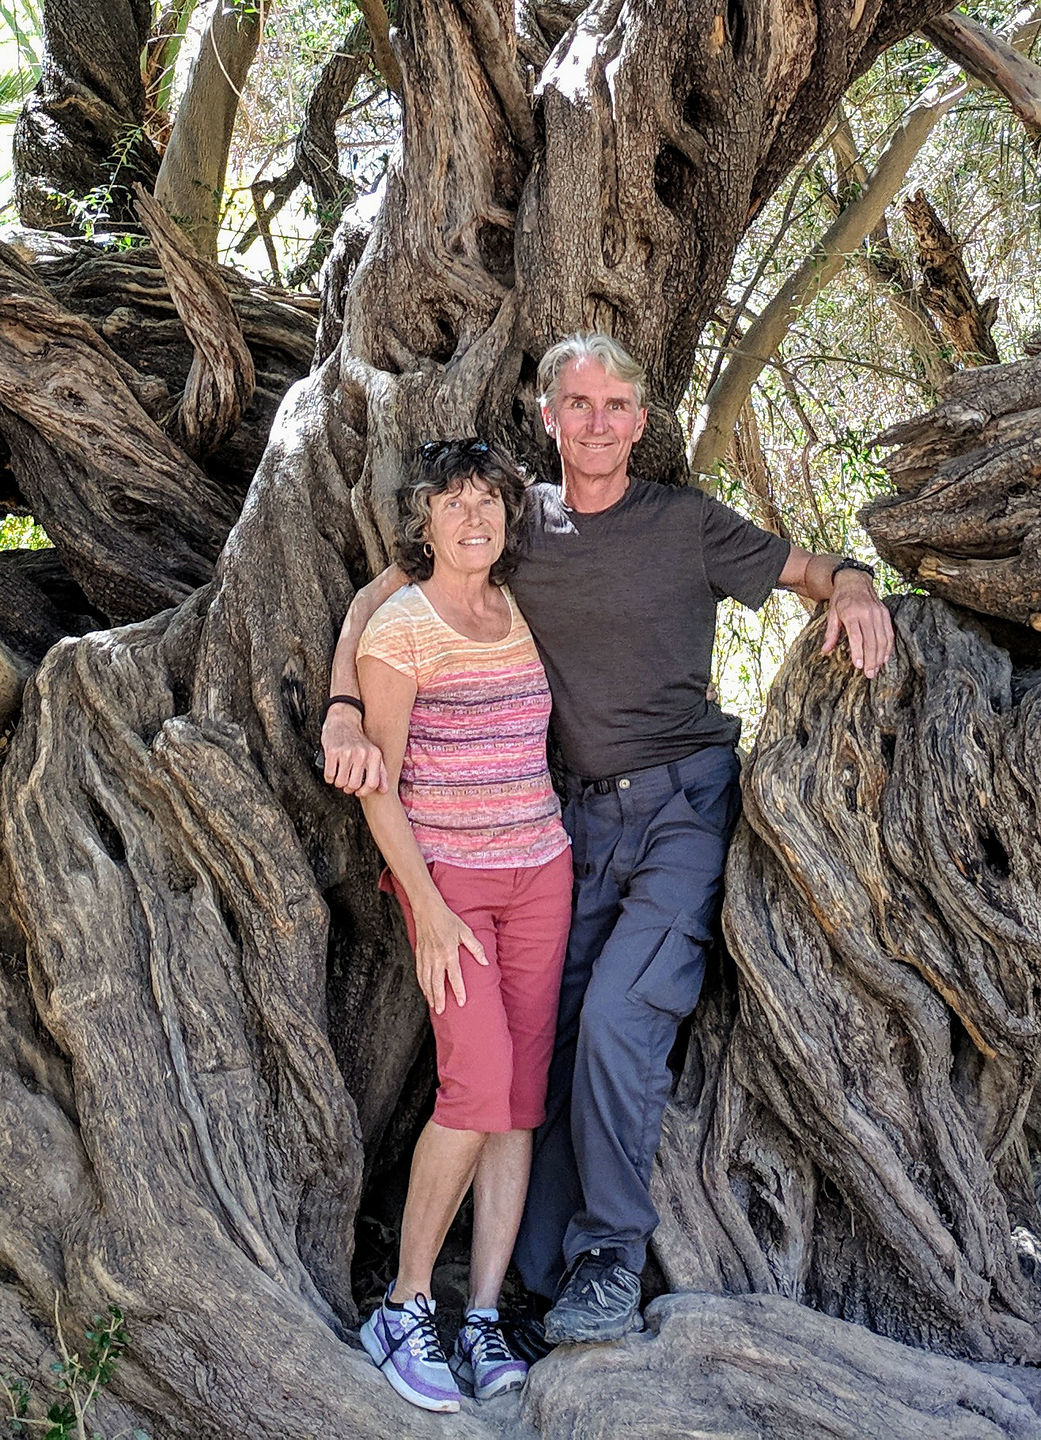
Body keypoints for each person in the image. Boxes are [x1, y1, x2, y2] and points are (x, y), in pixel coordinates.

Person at [323, 334, 894, 1350]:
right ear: (548, 419)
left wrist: (853, 585)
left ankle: (608, 1259)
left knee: (625, 1020)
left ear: (641, 420)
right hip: (571, 823)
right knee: (547, 1048)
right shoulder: (517, 523)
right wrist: (338, 712)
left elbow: (813, 567)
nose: (596, 421)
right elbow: (384, 595)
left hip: (684, 808)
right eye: (576, 403)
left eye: (616, 404)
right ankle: (518, 1287)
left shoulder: (686, 525)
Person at [344, 439, 573, 1412]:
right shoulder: (401, 625)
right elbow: (378, 787)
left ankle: (480, 1316)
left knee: (517, 1103)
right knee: (474, 1088)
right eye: (453, 502)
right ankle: (402, 1306)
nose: (473, 518)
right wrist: (427, 909)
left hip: (543, 873)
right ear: (425, 519)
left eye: (489, 501)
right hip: (452, 884)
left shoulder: (515, 606)